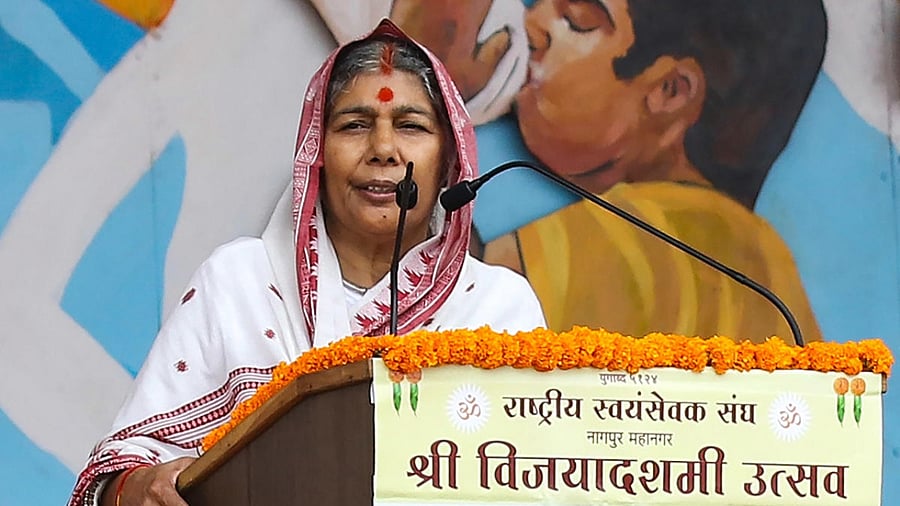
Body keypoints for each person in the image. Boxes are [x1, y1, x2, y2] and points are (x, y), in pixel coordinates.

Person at [68, 19, 545, 506]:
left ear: (449, 161)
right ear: (316, 155)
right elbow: (117, 475)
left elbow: (538, 479)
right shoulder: (240, 282)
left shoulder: (497, 308)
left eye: (410, 126)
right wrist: (139, 487)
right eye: (354, 126)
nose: (382, 150)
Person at [327, 0, 825, 343]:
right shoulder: (763, 260)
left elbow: (418, 328)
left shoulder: (654, 238)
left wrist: (422, 78)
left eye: (577, 19)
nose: (534, 24)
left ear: (669, 92)